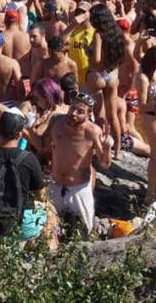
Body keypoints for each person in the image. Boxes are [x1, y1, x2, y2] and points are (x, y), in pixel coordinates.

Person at [0, 110, 47, 243]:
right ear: (19, 134)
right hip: (23, 226)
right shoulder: (29, 159)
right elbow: (42, 195)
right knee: (48, 209)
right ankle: (44, 251)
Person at [41, 92, 110, 235]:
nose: (73, 113)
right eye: (72, 108)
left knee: (85, 230)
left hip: (79, 188)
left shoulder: (93, 131)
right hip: (56, 184)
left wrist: (107, 148)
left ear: (88, 114)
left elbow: (104, 164)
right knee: (49, 230)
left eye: (80, 112)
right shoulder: (57, 123)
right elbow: (44, 146)